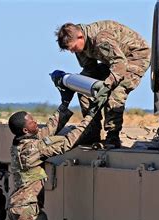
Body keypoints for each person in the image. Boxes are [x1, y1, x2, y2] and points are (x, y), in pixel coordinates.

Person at [7, 87, 96, 220]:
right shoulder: (34, 149)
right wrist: (90, 117)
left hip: (16, 208)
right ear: (26, 130)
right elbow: (67, 142)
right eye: (32, 121)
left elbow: (47, 131)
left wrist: (65, 104)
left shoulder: (20, 145)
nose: (36, 122)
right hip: (28, 210)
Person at [54, 20, 151, 148]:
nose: (72, 52)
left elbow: (120, 64)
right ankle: (92, 132)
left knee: (116, 93)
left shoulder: (101, 39)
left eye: (73, 48)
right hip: (113, 62)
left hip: (135, 57)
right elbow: (90, 69)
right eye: (70, 50)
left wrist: (107, 85)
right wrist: (78, 83)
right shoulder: (80, 46)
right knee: (84, 87)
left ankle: (113, 136)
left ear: (80, 37)